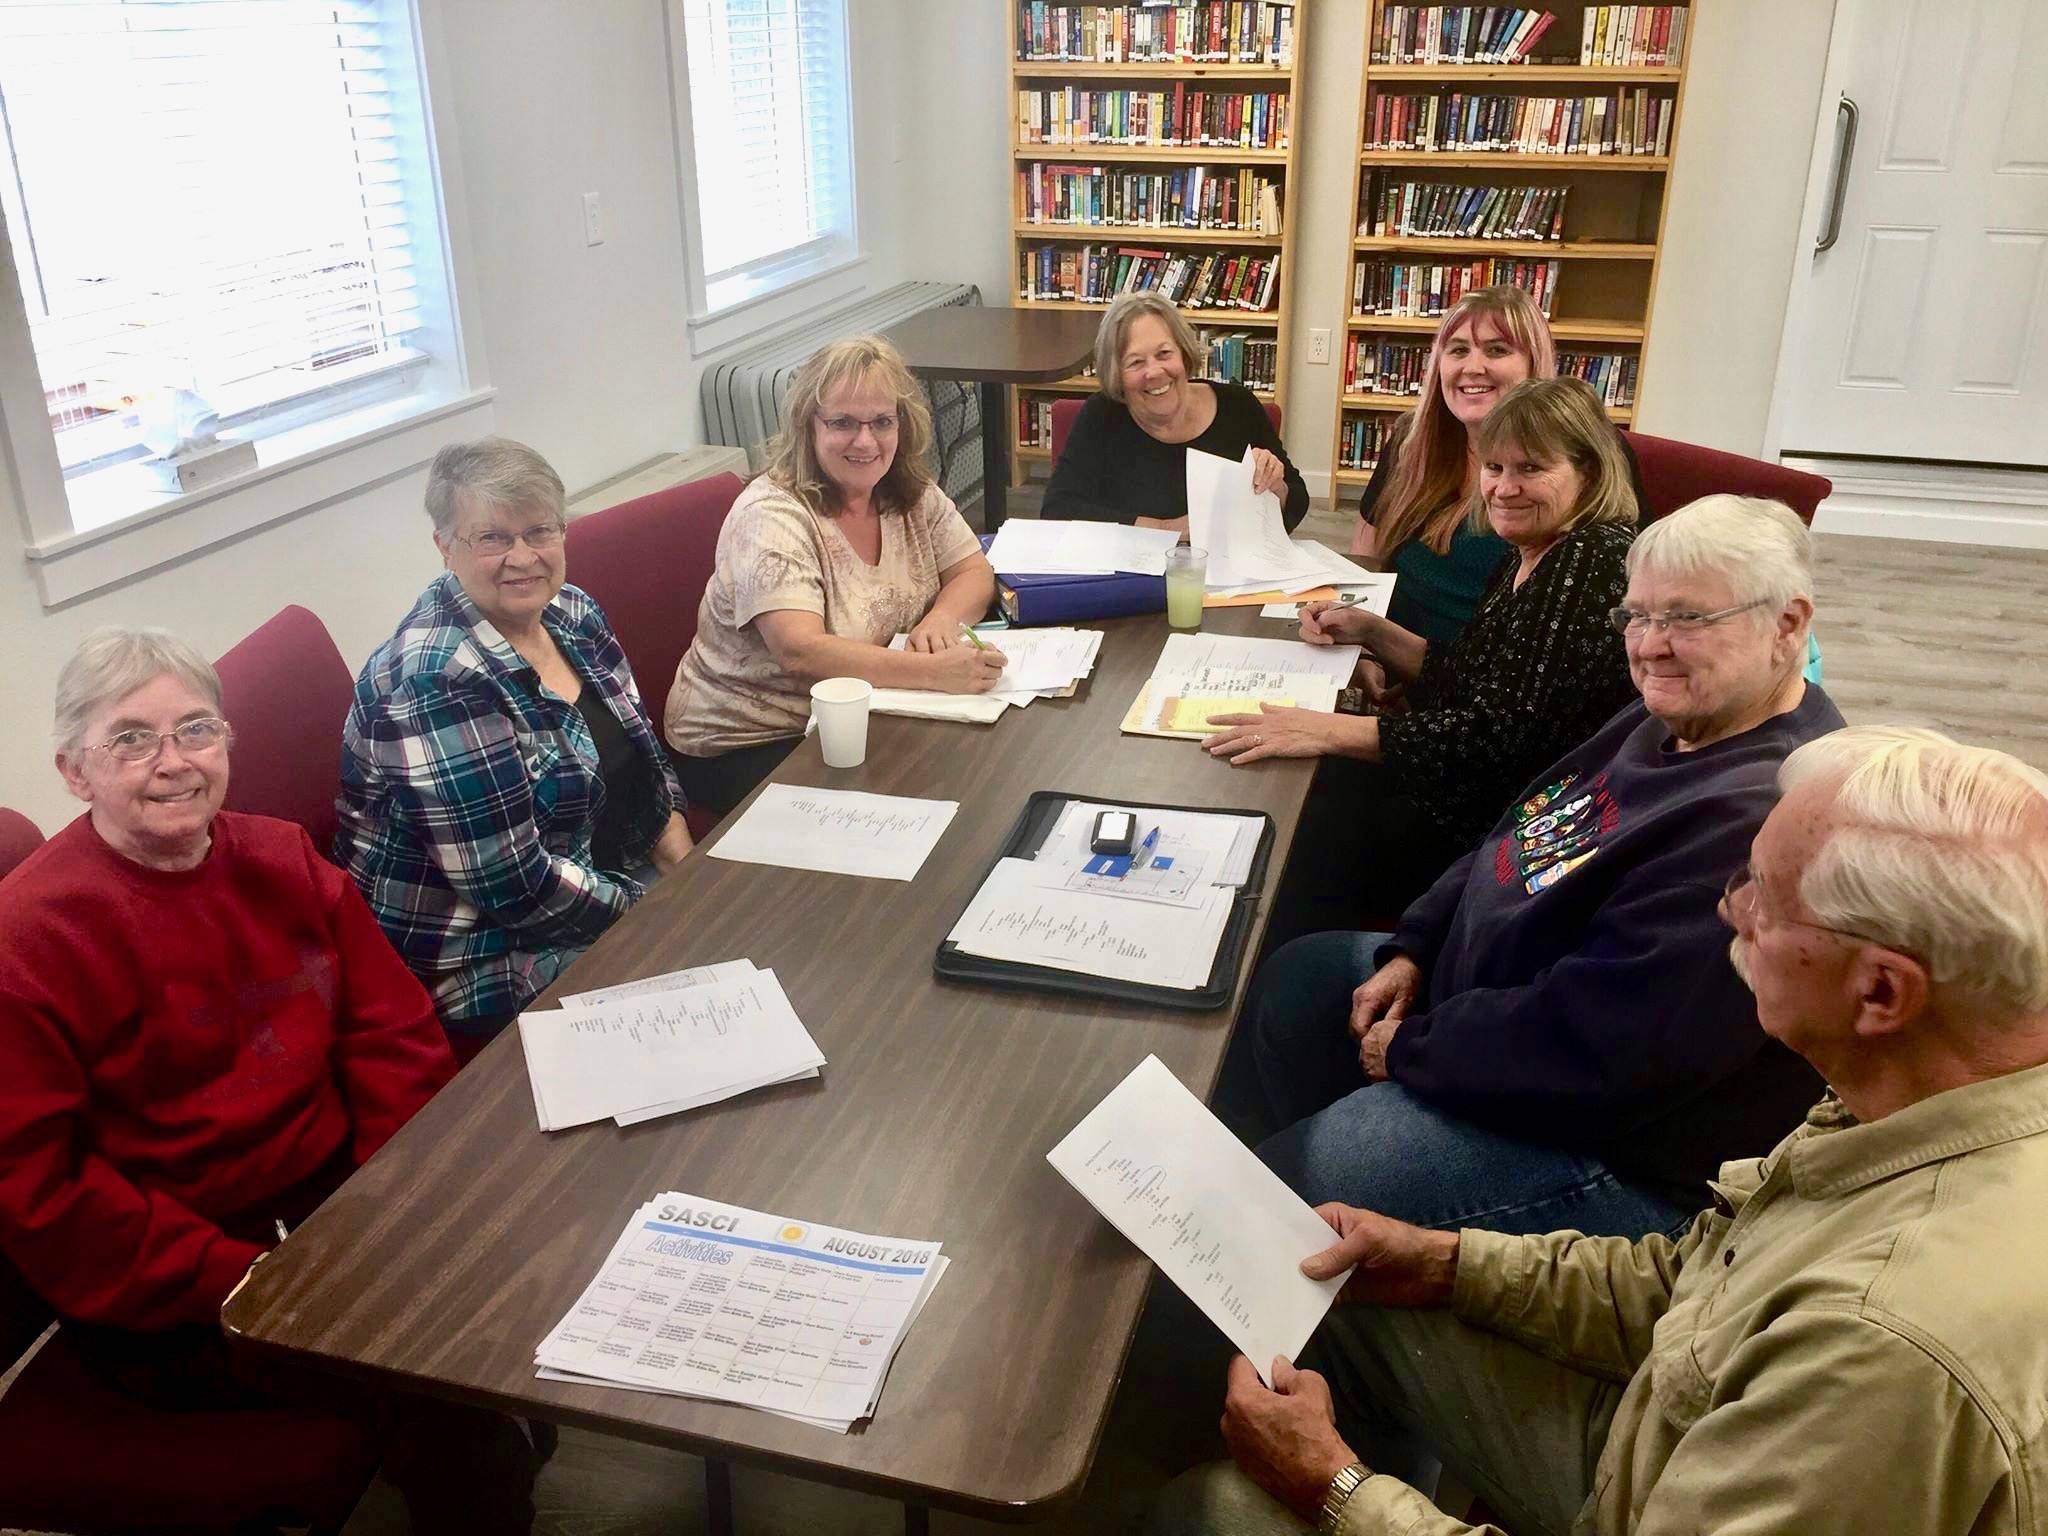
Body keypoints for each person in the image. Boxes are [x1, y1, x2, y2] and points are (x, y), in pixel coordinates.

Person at [1155, 725, 2048, 1536]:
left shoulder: (1884, 1345)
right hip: (1662, 1436)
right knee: (1330, 1291)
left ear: (1882, 991)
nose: (1727, 912)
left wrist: (1340, 1490)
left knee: (1215, 1511)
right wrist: (1443, 1260)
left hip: (1664, 1478)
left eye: (1764, 898)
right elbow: (1695, 1280)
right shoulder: (1910, 1093)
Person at [0, 628, 536, 1531]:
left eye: (197, 730)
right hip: (176, 1277)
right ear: (74, 772)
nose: (173, 763)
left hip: (334, 1202)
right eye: (131, 738)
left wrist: (384, 1197)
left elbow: (391, 1031)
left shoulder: (280, 857)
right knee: (448, 1386)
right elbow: (44, 1194)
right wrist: (249, 1276)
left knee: (514, 1266)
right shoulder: (29, 940)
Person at [1239, 495, 1843, 1241]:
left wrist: (1413, 1049)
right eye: (1637, 617)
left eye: (1687, 618)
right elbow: (1522, 829)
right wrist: (1417, 948)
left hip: (1610, 1145)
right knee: (1296, 985)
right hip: (1500, 1015)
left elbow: (1596, 1049)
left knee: (1292, 1178)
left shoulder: (1756, 821)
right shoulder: (1677, 712)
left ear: (1787, 624)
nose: (1650, 646)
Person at [1206, 377, 1641, 927]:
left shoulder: (1589, 560)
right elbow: (1471, 673)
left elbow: (1503, 744)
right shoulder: (1533, 547)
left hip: (1501, 831)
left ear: (1590, 471)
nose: (1504, 488)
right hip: (1473, 786)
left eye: (1531, 469)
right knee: (1292, 793)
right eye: (1495, 467)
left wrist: (1326, 729)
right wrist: (1370, 631)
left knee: (1296, 823)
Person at [338, 437, 691, 1056]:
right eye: (492, 538)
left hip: (600, 881)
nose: (523, 557)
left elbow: (644, 758)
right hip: (486, 954)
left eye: (539, 531)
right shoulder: (435, 678)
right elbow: (514, 887)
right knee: (701, 1023)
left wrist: (688, 870)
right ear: (445, 547)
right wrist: (662, 913)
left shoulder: (572, 612)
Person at [664, 334, 1004, 817]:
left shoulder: (907, 489)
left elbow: (973, 570)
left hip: (865, 712)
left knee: (980, 776)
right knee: (922, 803)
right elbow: (800, 651)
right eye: (843, 422)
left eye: (882, 422)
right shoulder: (772, 515)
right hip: (753, 738)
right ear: (809, 427)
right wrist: (932, 672)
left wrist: (943, 619)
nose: (865, 441)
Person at [1346, 284, 1648, 649]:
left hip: (1488, 677)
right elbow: (1366, 555)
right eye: (1458, 350)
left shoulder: (1584, 452)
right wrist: (1360, 651)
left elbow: (1626, 593)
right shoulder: (1413, 438)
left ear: (1533, 363)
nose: (1473, 367)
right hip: (1382, 653)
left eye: (1497, 350)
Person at [1042, 291, 1309, 533]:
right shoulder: (1103, 414)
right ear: (1117, 374)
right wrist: (1166, 529)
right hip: (1133, 577)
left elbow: (1297, 499)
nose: (1155, 372)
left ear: (1183, 353)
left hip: (1229, 577)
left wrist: (1277, 487)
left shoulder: (1238, 406)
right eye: (1136, 362)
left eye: (1164, 353)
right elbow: (1057, 510)